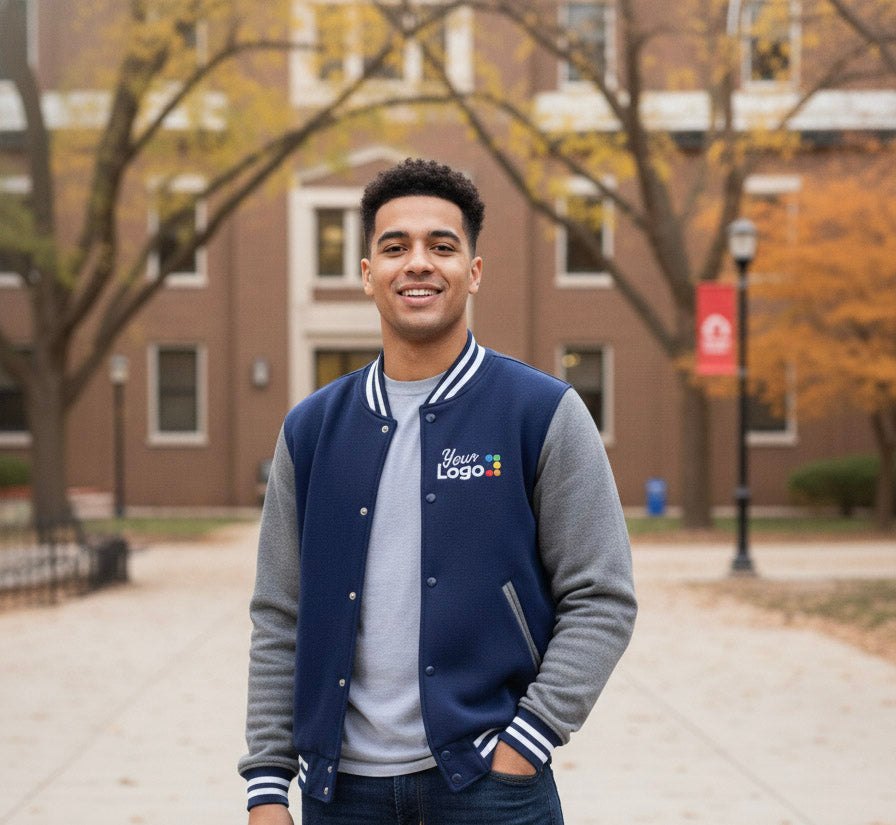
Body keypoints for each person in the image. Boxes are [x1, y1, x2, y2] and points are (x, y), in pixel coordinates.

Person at [238, 158, 637, 825]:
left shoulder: (540, 412)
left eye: (441, 246)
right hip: (340, 797)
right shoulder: (310, 429)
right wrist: (268, 782)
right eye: (394, 247)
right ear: (367, 274)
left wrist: (526, 741)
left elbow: (603, 595)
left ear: (473, 271)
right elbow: (279, 613)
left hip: (489, 784)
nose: (417, 262)